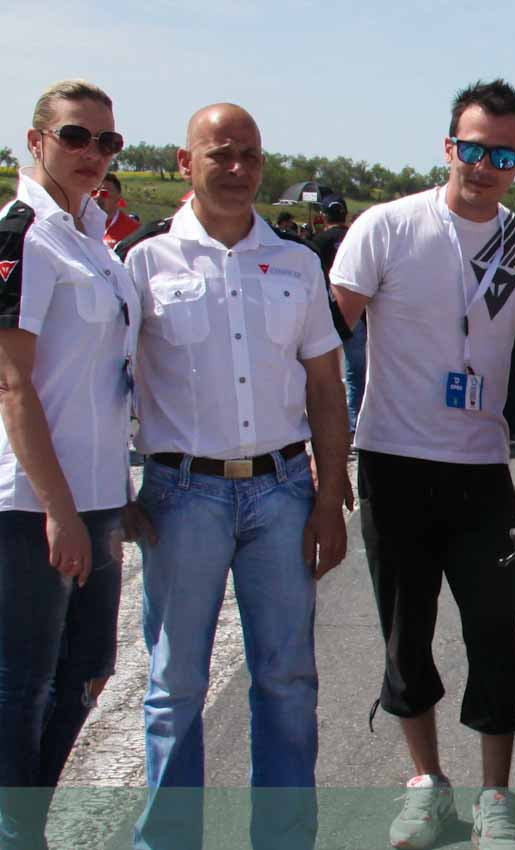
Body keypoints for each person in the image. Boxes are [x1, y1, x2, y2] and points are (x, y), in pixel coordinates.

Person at [330, 79, 515, 850]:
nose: (484, 166)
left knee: (495, 636)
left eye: (502, 154)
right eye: (472, 148)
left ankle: (496, 797)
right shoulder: (386, 227)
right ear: (448, 147)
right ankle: (426, 782)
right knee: (406, 636)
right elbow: (323, 339)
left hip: (479, 468)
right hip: (392, 463)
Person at [121, 103, 349, 850]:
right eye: (219, 153)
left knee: (288, 682)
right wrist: (113, 490)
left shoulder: (296, 263)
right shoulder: (144, 262)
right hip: (182, 493)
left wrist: (329, 499)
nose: (237, 168)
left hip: (282, 492)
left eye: (249, 154)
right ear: (185, 162)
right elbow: (106, 382)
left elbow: (326, 388)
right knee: (175, 685)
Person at [0, 79, 137, 850]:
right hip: (33, 503)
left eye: (106, 141)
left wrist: (116, 496)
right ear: (37, 142)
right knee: (24, 681)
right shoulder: (24, 235)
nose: (93, 153)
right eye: (75, 137)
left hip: (97, 494)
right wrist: (57, 509)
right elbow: (12, 384)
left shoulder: (92, 238)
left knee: (88, 670)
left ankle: (23, 823)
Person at [308, 195, 363, 434]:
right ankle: (354, 420)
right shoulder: (356, 236)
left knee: (321, 374)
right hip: (358, 310)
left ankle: (325, 424)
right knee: (355, 370)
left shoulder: (317, 242)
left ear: (323, 217)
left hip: (324, 310)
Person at [96, 171, 140, 248]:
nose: (98, 196)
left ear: (118, 198)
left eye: (104, 192)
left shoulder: (133, 229)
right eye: (95, 192)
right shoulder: (83, 224)